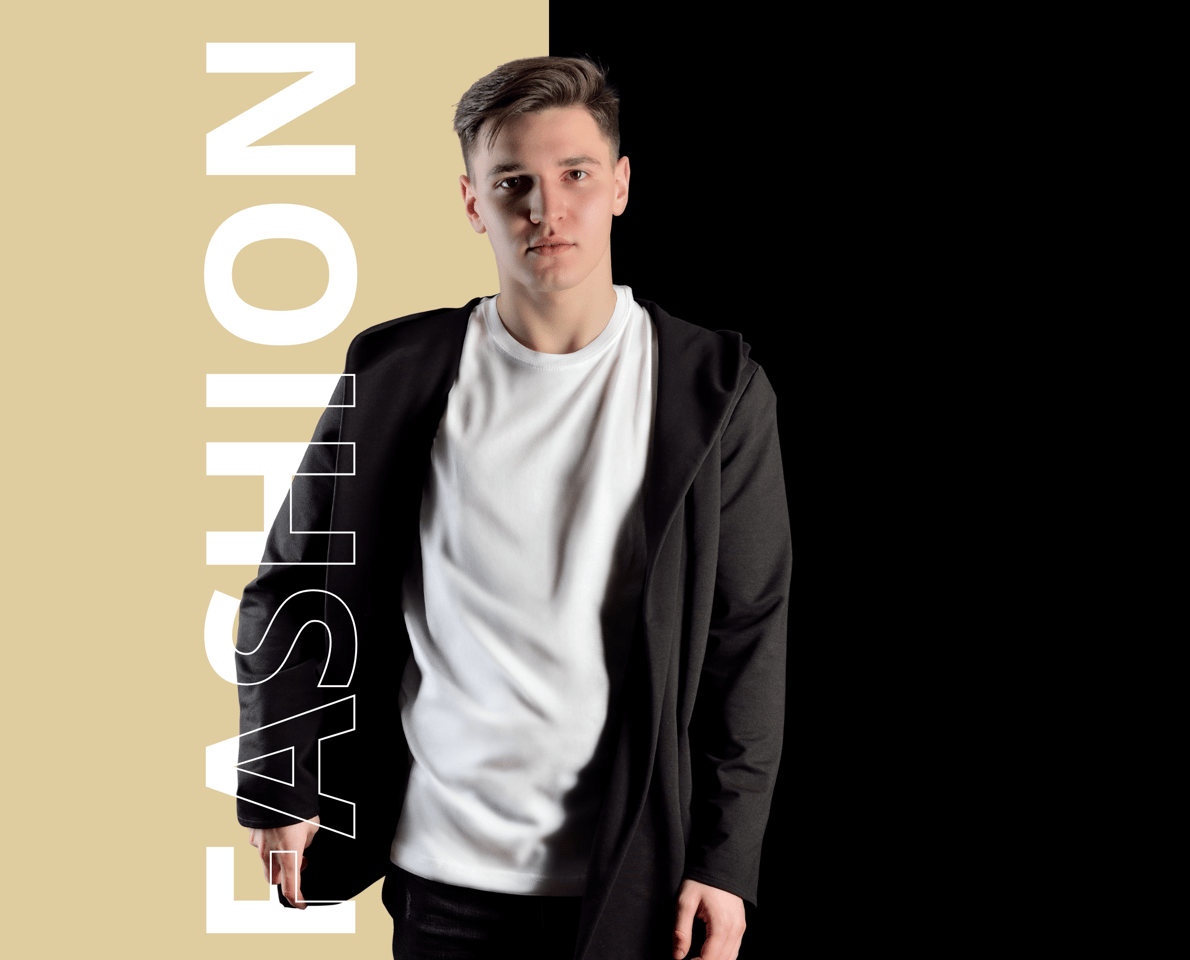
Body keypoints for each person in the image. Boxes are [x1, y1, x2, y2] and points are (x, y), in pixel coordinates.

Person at [230, 56, 790, 960]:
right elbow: (292, 585)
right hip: (442, 872)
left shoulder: (715, 386)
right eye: (513, 183)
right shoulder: (395, 372)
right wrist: (282, 783)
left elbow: (748, 638)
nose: (545, 208)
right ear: (471, 201)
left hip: (632, 873)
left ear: (620, 185)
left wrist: (727, 860)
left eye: (574, 175)